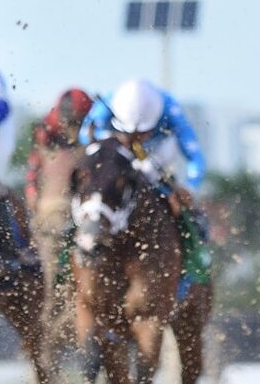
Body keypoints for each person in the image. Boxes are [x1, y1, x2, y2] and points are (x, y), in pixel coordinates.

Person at [85, 77, 212, 299]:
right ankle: (65, 272)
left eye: (141, 133)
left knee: (191, 217)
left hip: (157, 157)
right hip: (115, 154)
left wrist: (188, 189)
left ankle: (187, 279)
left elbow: (195, 157)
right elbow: (84, 135)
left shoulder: (170, 108)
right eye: (132, 133)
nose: (135, 138)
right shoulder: (108, 102)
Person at [25, 88, 94, 353]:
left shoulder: (92, 138)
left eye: (77, 124)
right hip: (51, 218)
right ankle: (45, 334)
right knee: (51, 282)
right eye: (70, 123)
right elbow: (33, 171)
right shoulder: (46, 133)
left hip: (84, 216)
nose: (72, 129)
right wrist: (32, 193)